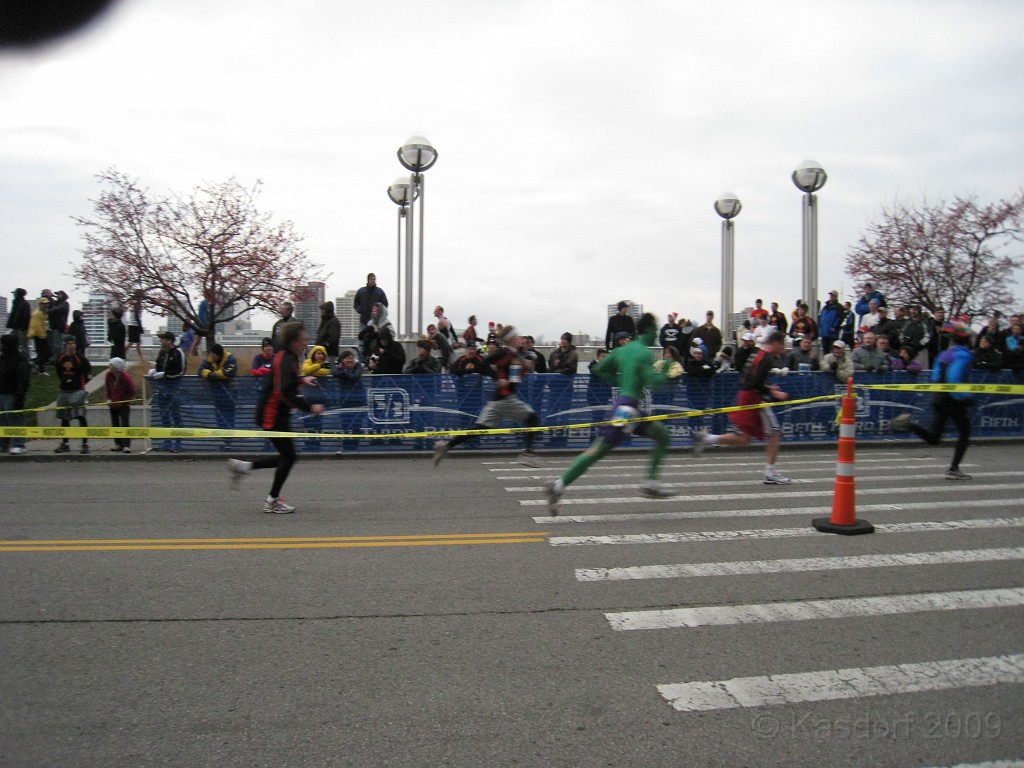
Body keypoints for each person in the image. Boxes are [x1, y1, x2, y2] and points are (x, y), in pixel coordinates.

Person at [545, 313, 674, 512]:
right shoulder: (644, 353)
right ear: (647, 330)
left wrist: (620, 382)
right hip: (628, 409)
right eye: (655, 330)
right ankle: (558, 485)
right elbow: (654, 382)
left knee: (663, 435)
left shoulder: (622, 351)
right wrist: (666, 370)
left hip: (627, 407)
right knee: (597, 450)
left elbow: (599, 369)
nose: (657, 334)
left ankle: (651, 482)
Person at [227, 322, 325, 514]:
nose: (307, 343)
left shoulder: (288, 357)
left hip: (277, 413)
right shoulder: (286, 358)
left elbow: (284, 382)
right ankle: (271, 500)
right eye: (304, 340)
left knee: (287, 456)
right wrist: (310, 407)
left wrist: (301, 380)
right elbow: (283, 392)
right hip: (271, 415)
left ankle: (244, 467)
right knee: (289, 457)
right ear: (294, 341)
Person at [433, 327, 542, 468]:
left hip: (497, 400)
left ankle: (446, 446)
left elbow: (516, 371)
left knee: (478, 429)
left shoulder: (516, 354)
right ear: (510, 339)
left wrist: (526, 366)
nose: (519, 339)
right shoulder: (504, 353)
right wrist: (497, 378)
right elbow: (483, 363)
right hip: (505, 398)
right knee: (533, 419)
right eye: (516, 337)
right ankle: (527, 454)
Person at [693, 331, 792, 485]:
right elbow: (755, 383)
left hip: (746, 396)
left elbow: (750, 379)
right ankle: (771, 472)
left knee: (744, 439)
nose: (783, 348)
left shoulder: (756, 354)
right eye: (782, 345)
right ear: (776, 343)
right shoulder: (765, 358)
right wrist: (774, 392)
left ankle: (707, 438)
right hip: (753, 398)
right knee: (775, 433)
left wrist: (768, 387)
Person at [890, 320, 975, 480]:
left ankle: (909, 425)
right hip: (954, 399)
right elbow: (954, 377)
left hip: (939, 396)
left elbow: (936, 376)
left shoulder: (944, 354)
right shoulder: (964, 354)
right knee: (965, 432)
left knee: (934, 438)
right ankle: (953, 468)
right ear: (965, 339)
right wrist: (966, 397)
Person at [53, 334, 92, 454]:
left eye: (73, 343)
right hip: (65, 390)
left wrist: (81, 384)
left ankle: (85, 443)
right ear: (65, 345)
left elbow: (88, 372)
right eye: (69, 344)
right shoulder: (60, 358)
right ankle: (65, 443)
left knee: (81, 416)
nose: (72, 346)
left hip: (77, 390)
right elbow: (59, 372)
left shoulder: (80, 359)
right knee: (64, 418)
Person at [148, 331, 186, 452]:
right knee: (164, 415)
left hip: (174, 388)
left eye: (163, 339)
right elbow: (158, 365)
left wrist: (166, 375)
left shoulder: (178, 353)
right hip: (162, 389)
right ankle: (167, 441)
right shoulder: (162, 352)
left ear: (169, 340)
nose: (161, 341)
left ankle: (178, 442)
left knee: (176, 415)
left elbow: (181, 371)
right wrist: (154, 371)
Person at [199, 343, 239, 440]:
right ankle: (223, 438)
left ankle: (228, 439)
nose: (212, 356)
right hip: (216, 393)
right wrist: (208, 374)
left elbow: (228, 372)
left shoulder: (230, 358)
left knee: (229, 416)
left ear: (219, 355)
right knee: (219, 416)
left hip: (229, 392)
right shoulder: (210, 360)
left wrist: (214, 375)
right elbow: (200, 370)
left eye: (214, 355)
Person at [0, 333, 30, 455]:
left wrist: (20, 395)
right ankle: (3, 444)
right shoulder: (2, 358)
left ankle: (19, 444)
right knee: (2, 420)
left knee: (15, 419)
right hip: (2, 392)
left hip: (13, 393)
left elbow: (23, 379)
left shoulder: (20, 359)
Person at [104, 357, 136, 453]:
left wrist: (123, 400)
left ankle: (126, 445)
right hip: (113, 404)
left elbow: (131, 391)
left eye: (111, 365)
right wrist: (109, 399)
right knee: (115, 424)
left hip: (124, 404)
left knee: (125, 423)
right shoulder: (109, 375)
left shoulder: (125, 377)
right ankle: (118, 443)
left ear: (116, 367)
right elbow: (108, 389)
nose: (109, 366)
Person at [44, 289, 70, 363]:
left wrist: (48, 311)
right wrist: (50, 297)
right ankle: (57, 357)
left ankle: (59, 358)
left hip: (59, 326)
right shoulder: (57, 303)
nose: (57, 295)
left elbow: (57, 309)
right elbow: (52, 304)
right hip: (55, 326)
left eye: (59, 294)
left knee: (57, 344)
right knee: (55, 343)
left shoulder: (65, 304)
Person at [6, 288, 30, 358]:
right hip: (15, 328)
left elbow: (26, 317)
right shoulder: (16, 303)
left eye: (15, 293)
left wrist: (23, 327)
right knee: (15, 344)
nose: (14, 295)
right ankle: (15, 359)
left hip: (21, 329)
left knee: (23, 345)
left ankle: (26, 360)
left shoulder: (24, 304)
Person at [28, 297, 50, 374]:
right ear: (40, 304)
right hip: (39, 336)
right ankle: (40, 369)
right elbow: (36, 326)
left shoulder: (42, 313)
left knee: (44, 353)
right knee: (42, 352)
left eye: (46, 304)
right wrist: (42, 336)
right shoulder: (37, 313)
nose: (46, 305)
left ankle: (37, 365)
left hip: (42, 335)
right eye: (44, 304)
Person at [315, 301, 341, 365]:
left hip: (329, 353)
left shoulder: (333, 322)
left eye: (322, 310)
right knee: (322, 370)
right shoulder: (325, 321)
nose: (321, 311)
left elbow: (333, 338)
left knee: (327, 371)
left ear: (327, 310)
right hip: (322, 352)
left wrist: (324, 345)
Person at [126, 293, 145, 361]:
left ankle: (142, 359)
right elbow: (137, 316)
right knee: (133, 343)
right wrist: (140, 327)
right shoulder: (137, 304)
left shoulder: (132, 304)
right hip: (135, 325)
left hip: (131, 325)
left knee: (136, 343)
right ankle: (142, 360)